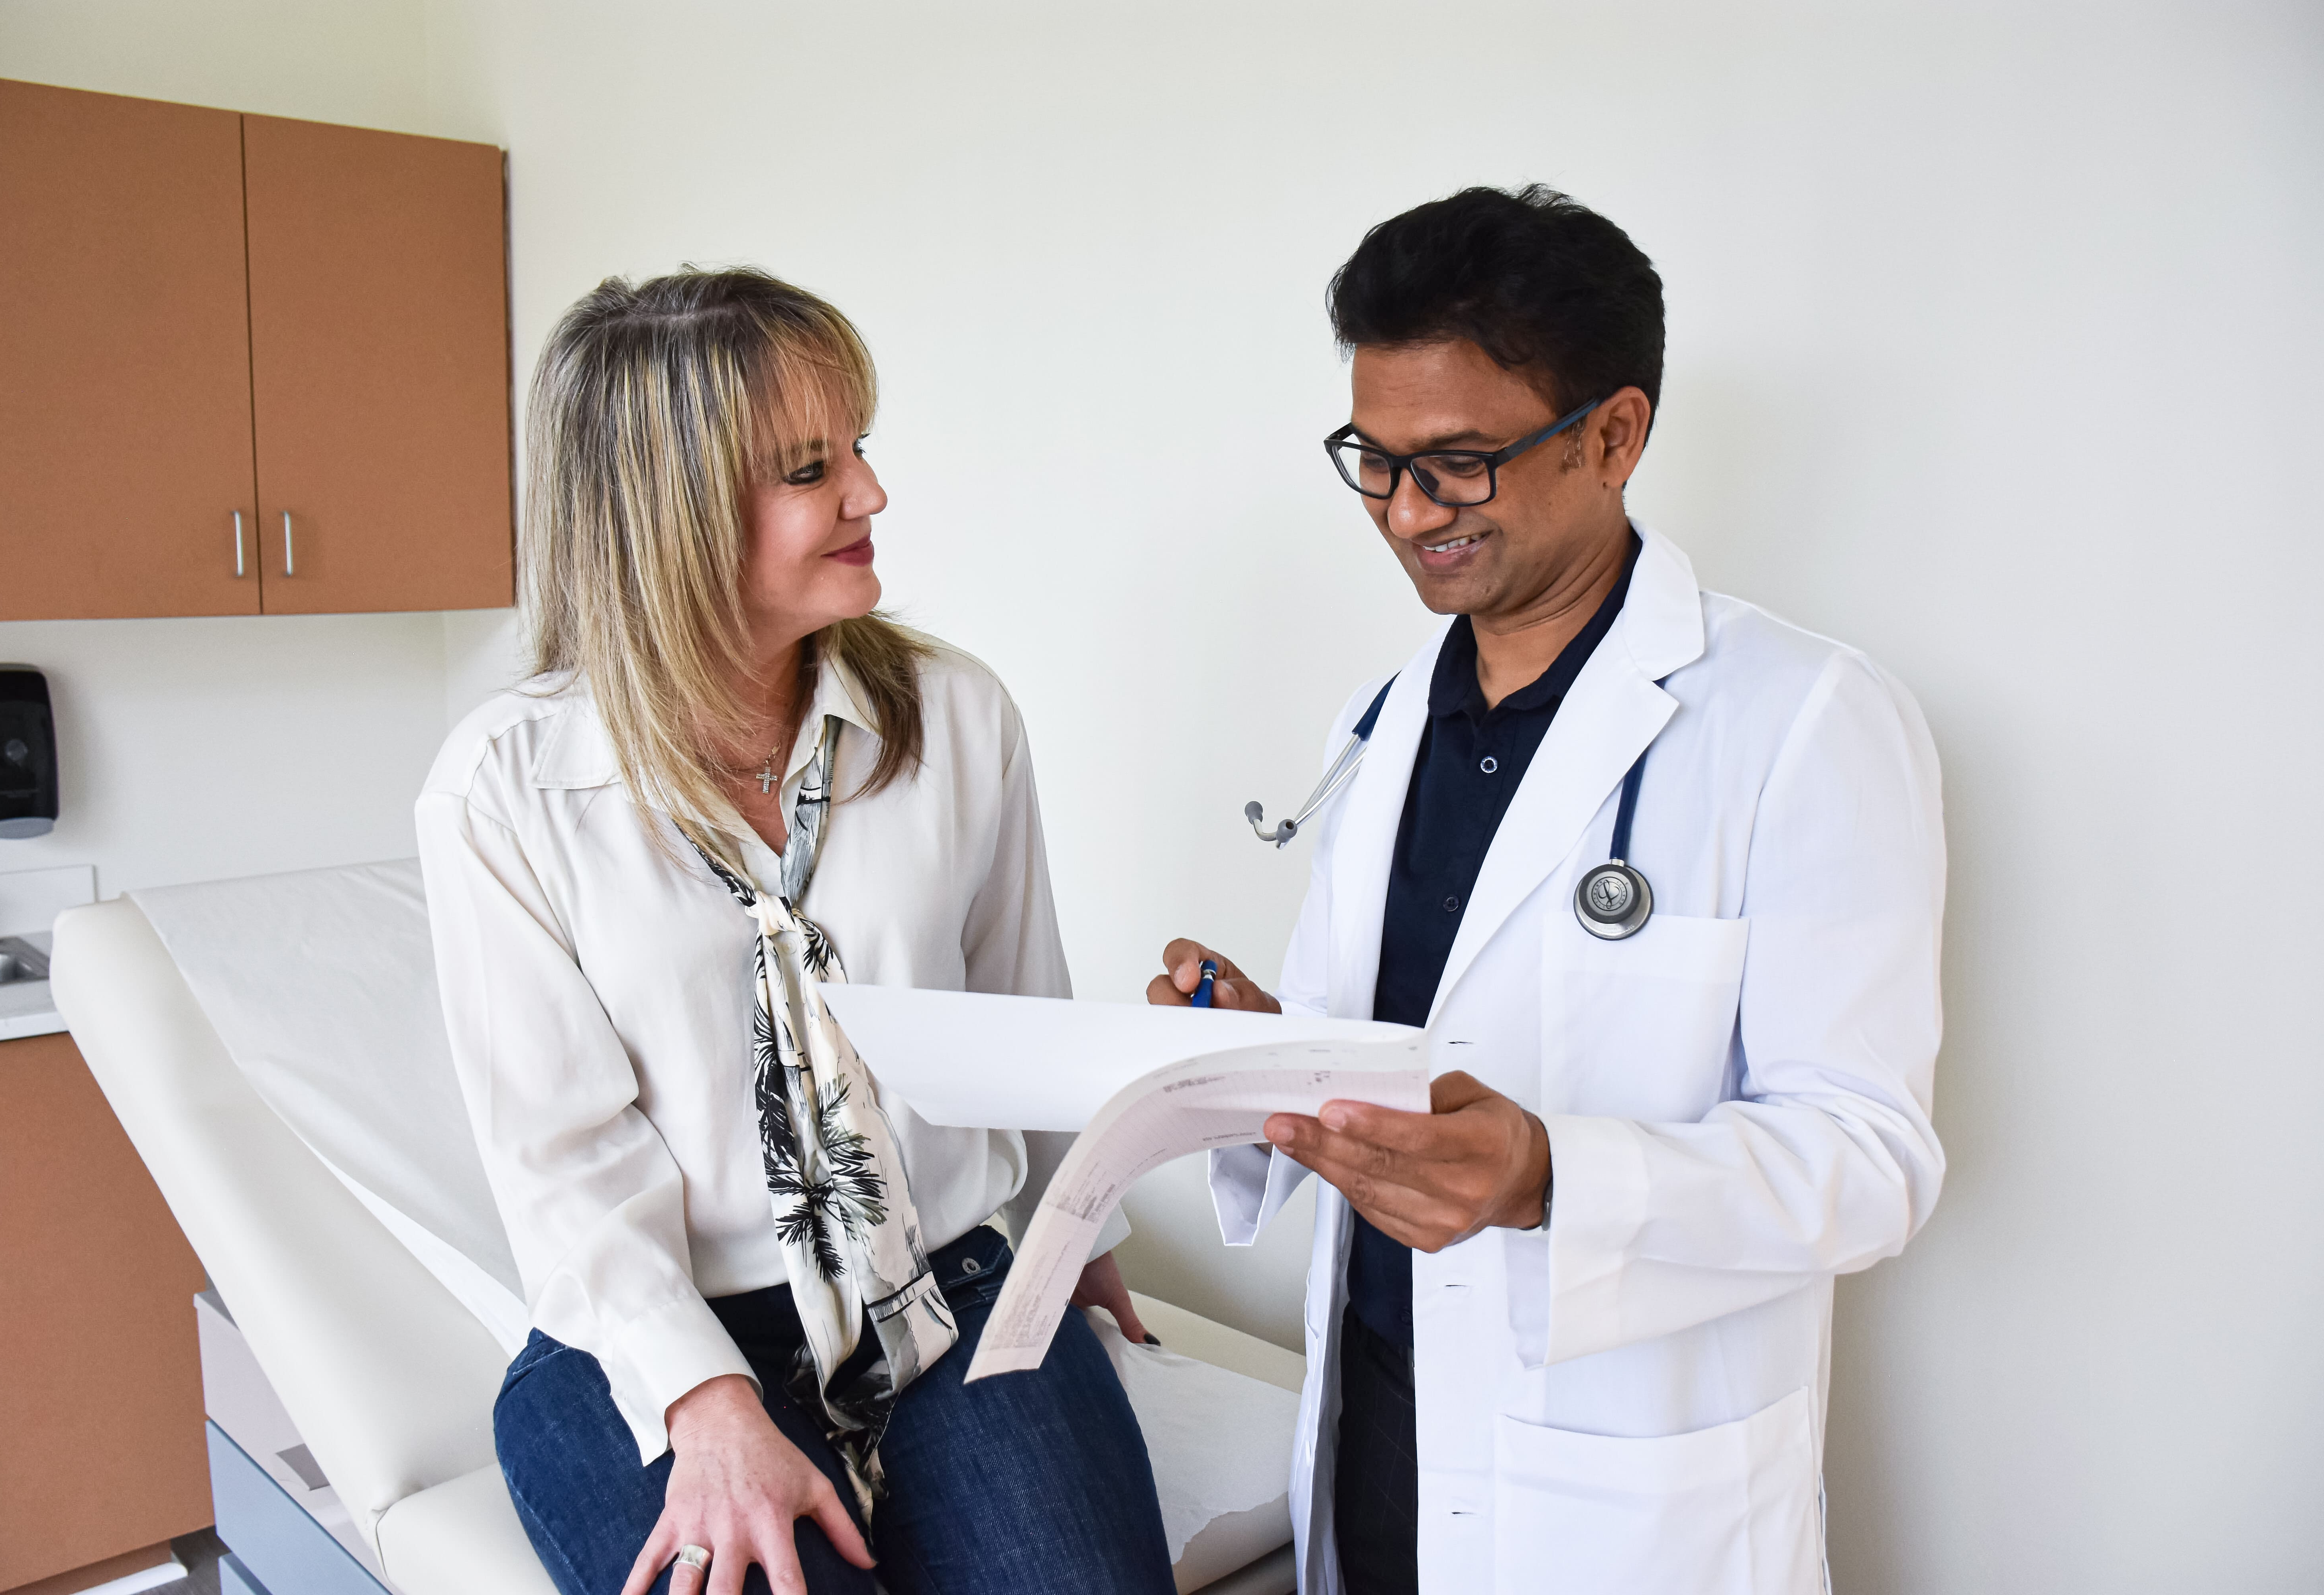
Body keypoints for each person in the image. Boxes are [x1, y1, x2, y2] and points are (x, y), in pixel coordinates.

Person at [1148, 185, 1946, 1593]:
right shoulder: (1380, 720)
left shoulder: (1802, 719)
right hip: (1381, 1429)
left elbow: (1871, 1163)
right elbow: (1397, 1053)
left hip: (1617, 1484)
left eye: (1457, 463)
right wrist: (1256, 1048)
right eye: (1375, 461)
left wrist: (1550, 1176)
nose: (1405, 514)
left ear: (1614, 435)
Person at [419, 268, 1174, 1595]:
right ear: (673, 512)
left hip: (950, 1295)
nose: (871, 495)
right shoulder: (508, 789)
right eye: (812, 468)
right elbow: (561, 1160)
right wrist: (703, 1403)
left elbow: (1020, 1012)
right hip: (655, 1336)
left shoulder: (958, 716)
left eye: (861, 448)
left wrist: (1081, 1238)